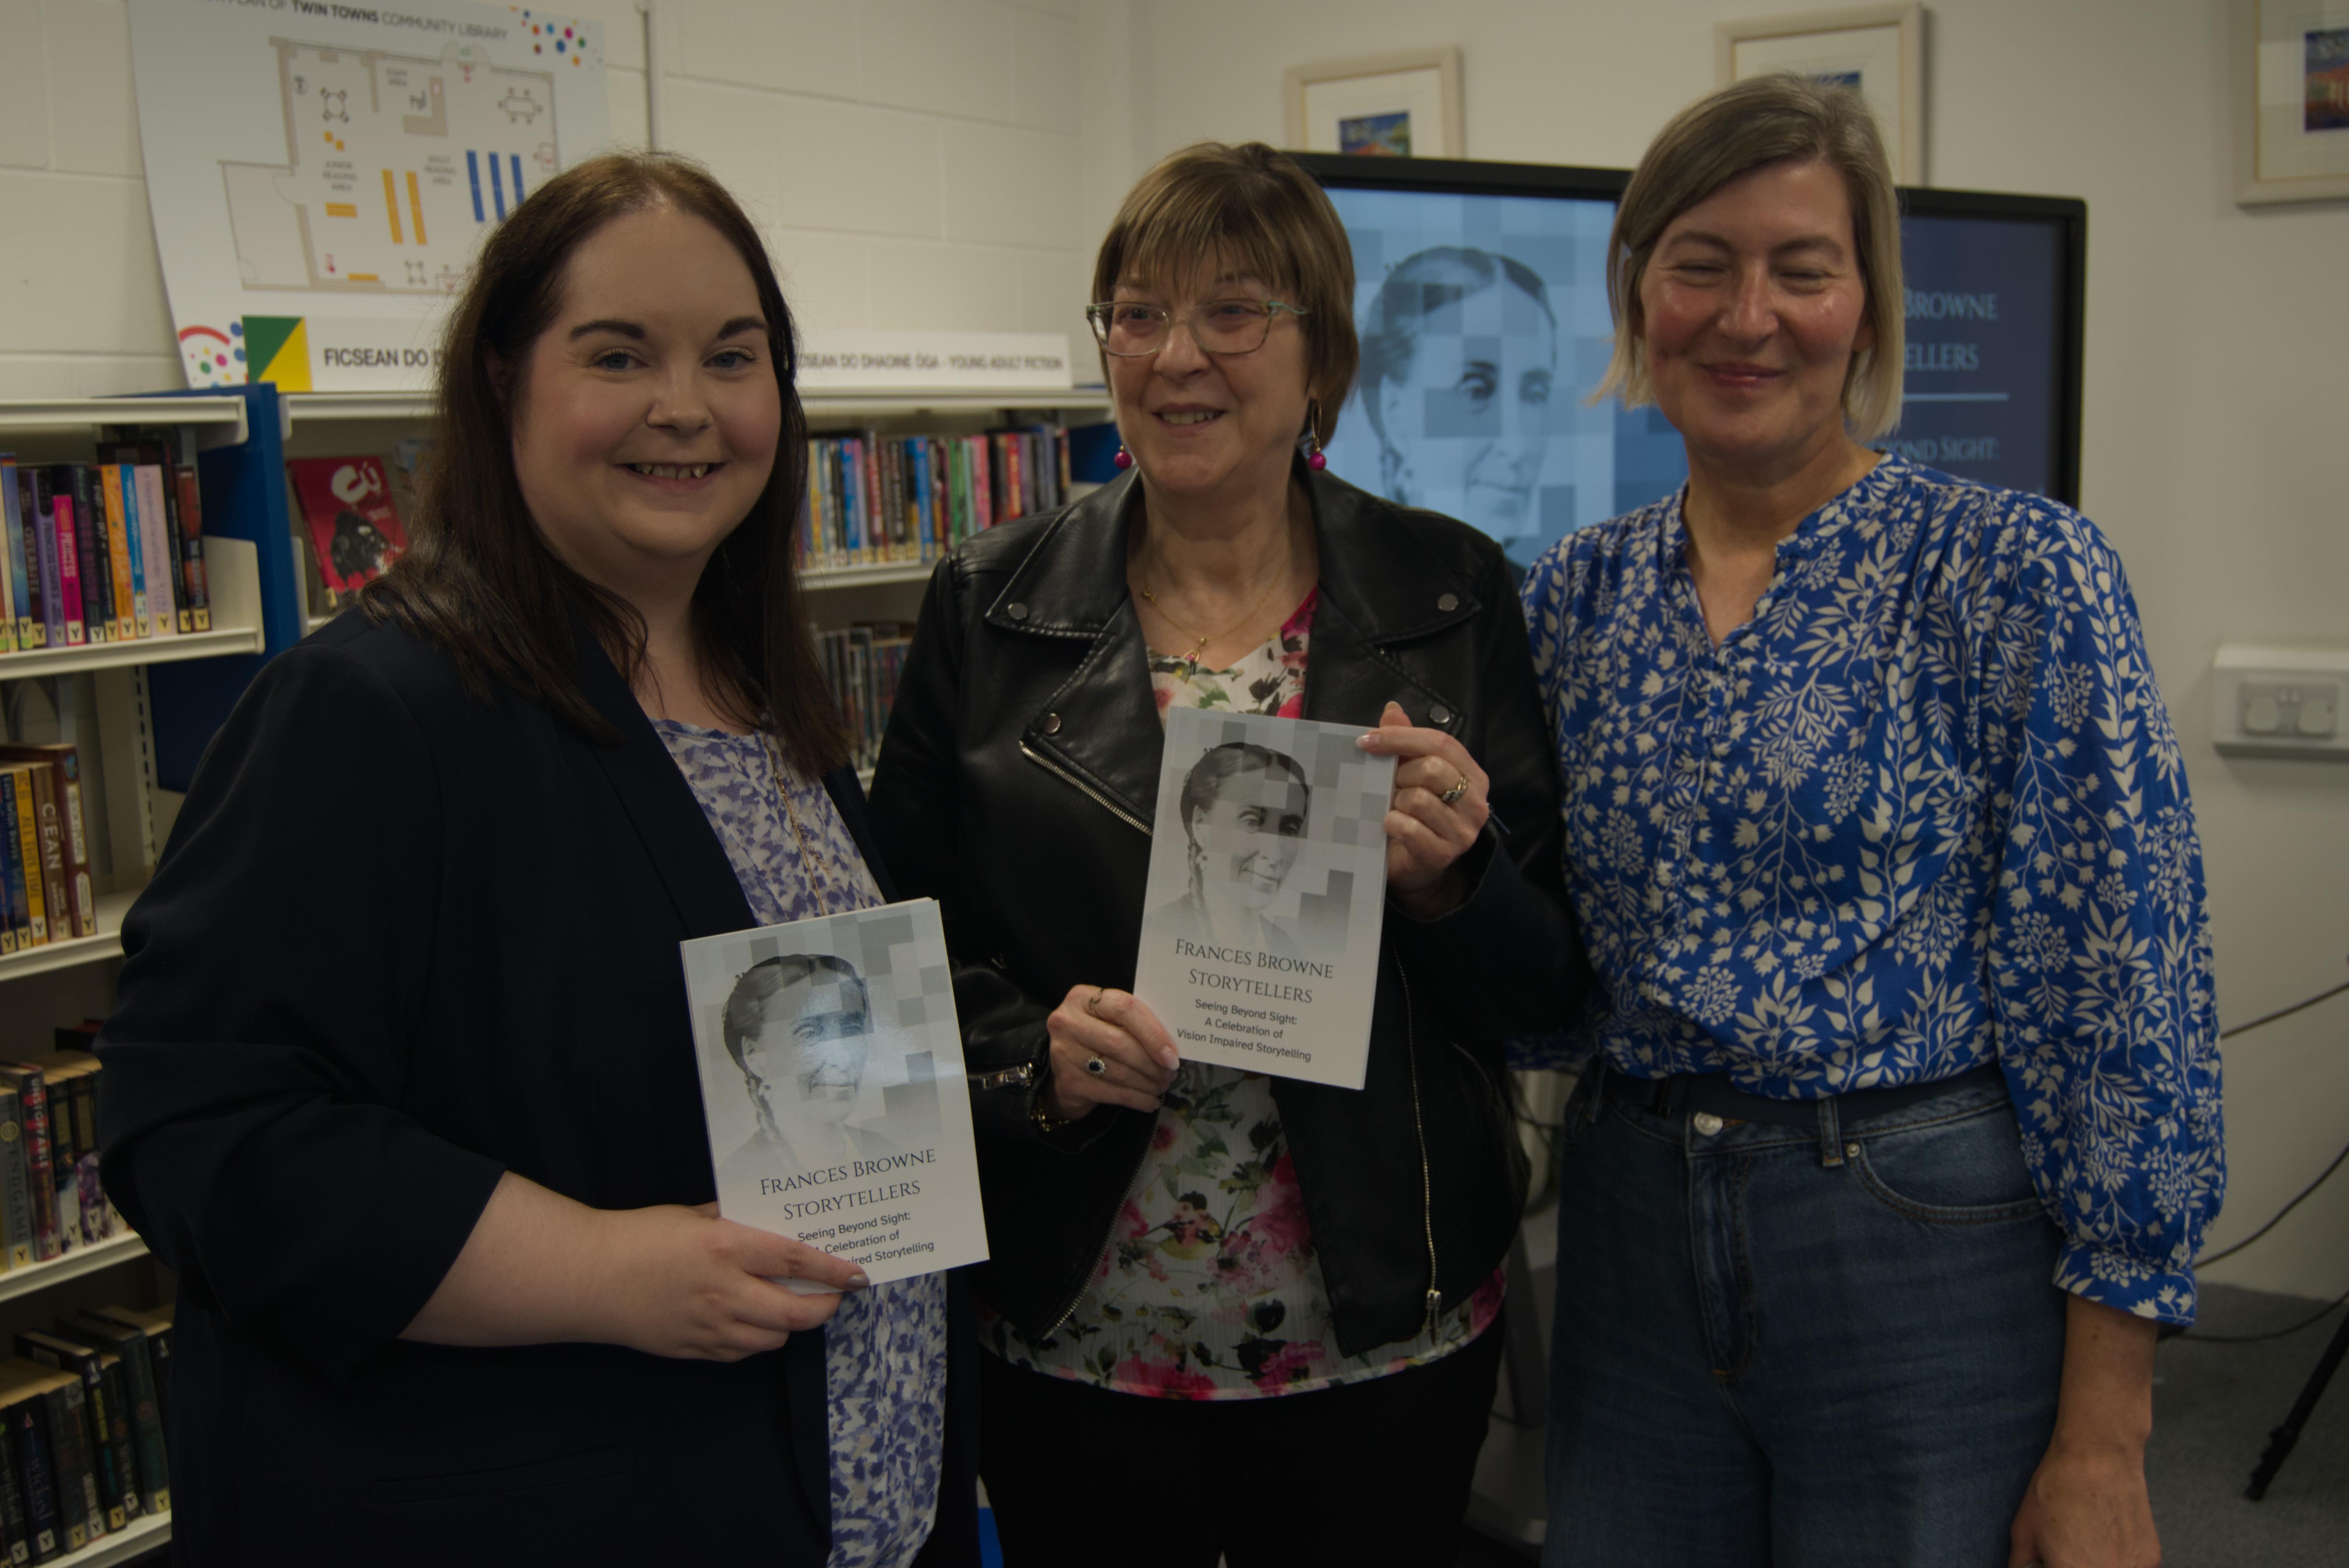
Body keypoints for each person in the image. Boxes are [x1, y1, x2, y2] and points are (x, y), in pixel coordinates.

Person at [96, 152, 976, 1568]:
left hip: (848, 1489)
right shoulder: (377, 709)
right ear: (504, 380)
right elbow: (202, 1130)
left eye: (732, 359)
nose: (685, 407)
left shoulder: (768, 700)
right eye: (618, 355)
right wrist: (599, 1268)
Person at [1519, 76, 2221, 1568]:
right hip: (1633, 1235)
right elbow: (1542, 973)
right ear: (1637, 292)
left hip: (1912, 1240)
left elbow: (2121, 1000)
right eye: (1697, 262)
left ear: (1868, 303)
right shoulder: (1570, 597)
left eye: (1799, 267)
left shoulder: (2012, 577)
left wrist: (2101, 1438)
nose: (1744, 315)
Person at [868, 141, 1583, 1567]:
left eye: (1231, 313)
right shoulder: (985, 604)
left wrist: (1454, 886)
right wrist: (1031, 1060)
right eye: (1136, 313)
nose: (1175, 356)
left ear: (1320, 354)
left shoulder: (1448, 594)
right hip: (1078, 1319)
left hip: (1379, 1319)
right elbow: (893, 960)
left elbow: (1546, 987)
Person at [1356, 245, 1558, 559]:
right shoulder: (1335, 596)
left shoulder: (1549, 600)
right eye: (1476, 391)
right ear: (1393, 411)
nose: (1517, 447)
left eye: (1534, 395)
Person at [721, 953, 902, 1167]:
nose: (843, 1058)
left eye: (851, 1030)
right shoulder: (741, 1176)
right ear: (755, 1057)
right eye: (808, 1034)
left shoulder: (884, 1152)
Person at [1155, 741, 1310, 958]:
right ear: (1201, 825)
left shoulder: (1288, 951)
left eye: (1289, 830)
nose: (1275, 854)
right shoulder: (1159, 935)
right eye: (1253, 822)